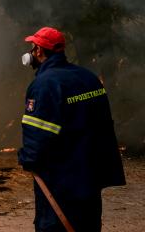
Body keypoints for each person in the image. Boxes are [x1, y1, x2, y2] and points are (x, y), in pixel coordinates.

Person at [18, 26, 125, 232]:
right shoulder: (88, 78)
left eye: (33, 47)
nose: (31, 52)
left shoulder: (44, 84)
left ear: (39, 50)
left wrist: (28, 158)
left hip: (61, 175)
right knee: (87, 223)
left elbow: (39, 132)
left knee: (54, 224)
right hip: (91, 170)